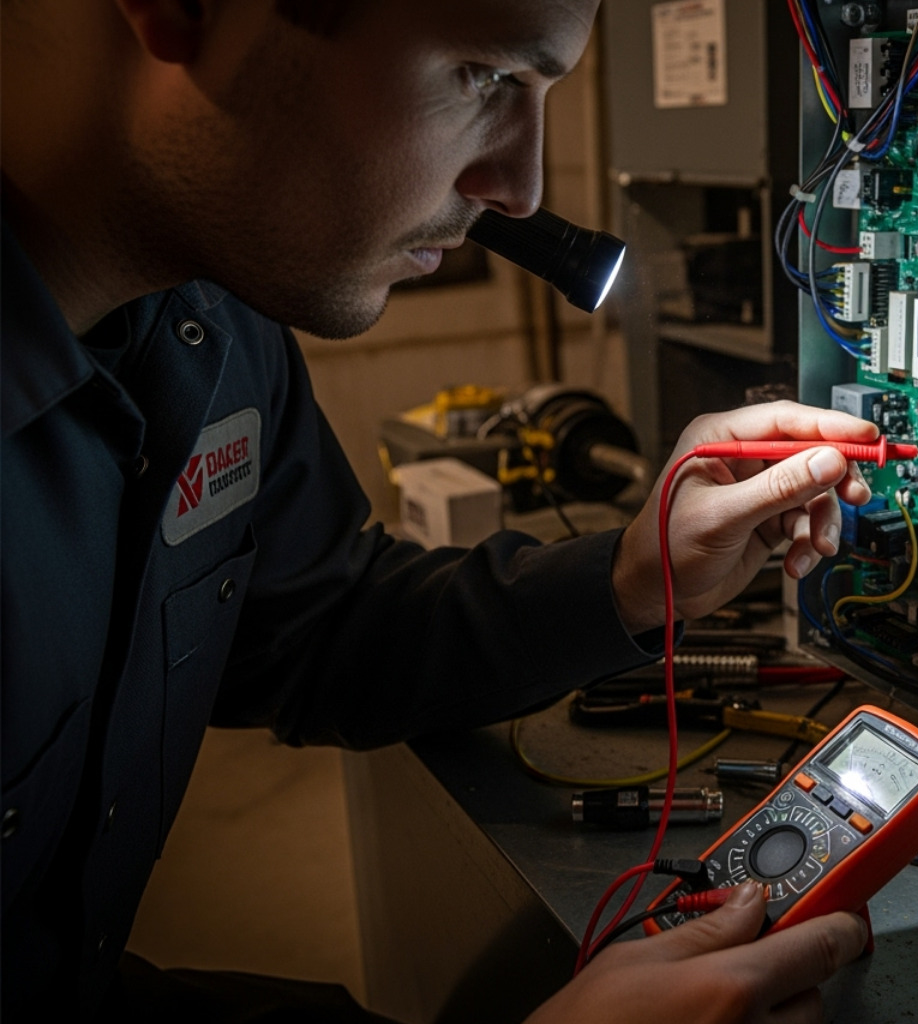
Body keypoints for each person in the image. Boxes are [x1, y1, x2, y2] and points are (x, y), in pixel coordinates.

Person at [0, 0, 872, 1019]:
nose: (520, 188)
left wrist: (637, 577)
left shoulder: (216, 328)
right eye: (481, 77)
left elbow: (315, 627)